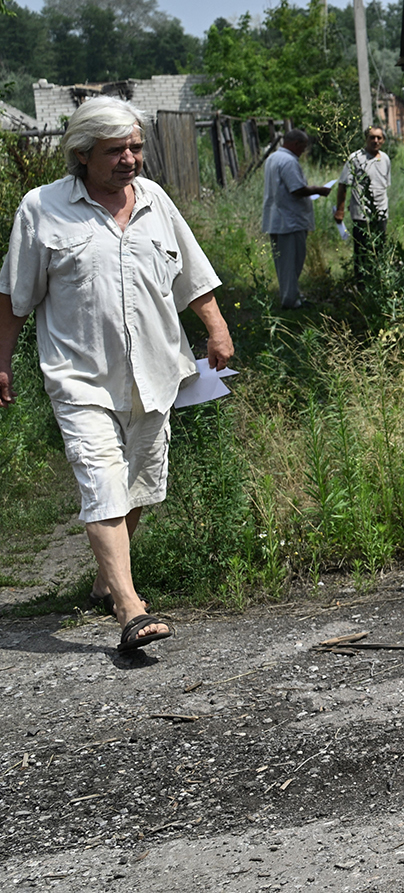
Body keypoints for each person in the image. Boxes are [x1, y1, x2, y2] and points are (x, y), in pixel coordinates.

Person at [0, 96, 234, 654]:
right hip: (80, 376)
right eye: (115, 151)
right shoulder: (42, 209)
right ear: (81, 155)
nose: (130, 159)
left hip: (156, 370)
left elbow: (192, 274)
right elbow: (14, 295)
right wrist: (1, 361)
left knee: (142, 485)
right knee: (102, 478)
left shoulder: (154, 200)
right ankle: (130, 607)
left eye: (135, 147)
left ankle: (108, 578)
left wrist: (217, 328)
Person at [262, 129, 332, 310]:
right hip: (289, 221)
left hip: (277, 219)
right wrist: (319, 190)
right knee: (292, 262)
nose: (304, 151)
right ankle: (290, 301)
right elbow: (296, 189)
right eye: (303, 146)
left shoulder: (273, 158)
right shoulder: (288, 161)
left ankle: (291, 295)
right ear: (295, 144)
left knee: (283, 262)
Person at [332, 126, 391, 282]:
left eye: (379, 138)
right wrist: (340, 210)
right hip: (362, 213)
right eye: (372, 137)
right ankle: (361, 283)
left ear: (383, 140)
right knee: (362, 250)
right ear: (366, 139)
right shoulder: (356, 158)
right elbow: (343, 184)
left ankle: (379, 281)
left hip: (381, 212)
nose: (375, 141)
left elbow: (384, 185)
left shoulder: (385, 159)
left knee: (379, 248)